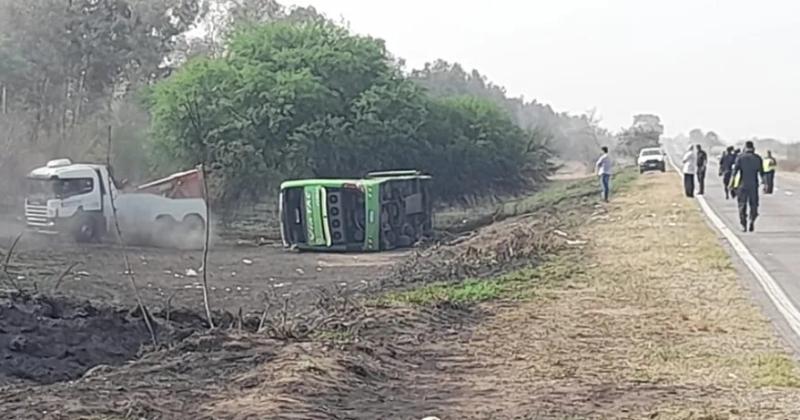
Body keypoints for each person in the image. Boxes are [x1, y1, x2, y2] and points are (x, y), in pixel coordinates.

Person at [732, 141, 764, 232]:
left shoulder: (740, 157)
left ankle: (743, 224)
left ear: (745, 147)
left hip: (742, 184)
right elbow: (762, 173)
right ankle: (752, 220)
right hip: (753, 185)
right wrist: (765, 184)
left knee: (742, 205)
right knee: (754, 205)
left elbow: (734, 173)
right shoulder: (757, 158)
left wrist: (731, 185)